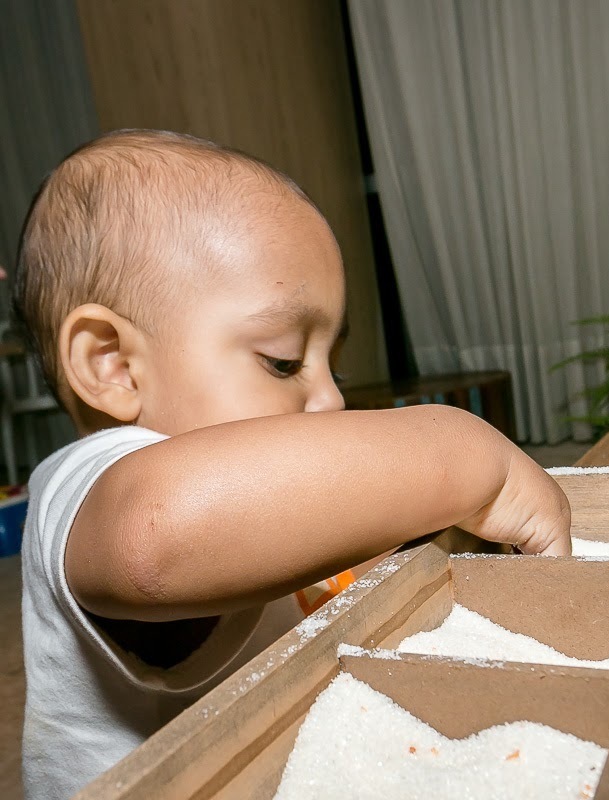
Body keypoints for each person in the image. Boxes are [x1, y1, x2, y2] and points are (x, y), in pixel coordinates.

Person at [13, 129, 572, 800]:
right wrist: (464, 454)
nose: (331, 396)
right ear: (111, 365)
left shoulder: (252, 518)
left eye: (331, 360)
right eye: (282, 359)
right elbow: (155, 532)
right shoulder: (85, 484)